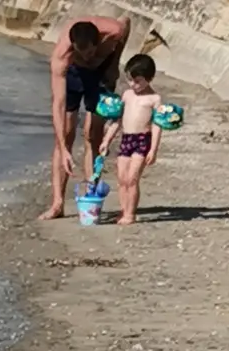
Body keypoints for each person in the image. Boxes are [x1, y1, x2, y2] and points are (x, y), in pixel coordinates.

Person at [40, 16, 131, 221]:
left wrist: (114, 63)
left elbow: (126, 23)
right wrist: (63, 149)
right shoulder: (62, 58)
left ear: (97, 42)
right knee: (65, 134)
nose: (87, 57)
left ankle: (91, 194)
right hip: (73, 75)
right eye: (81, 53)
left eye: (89, 52)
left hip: (101, 73)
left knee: (93, 134)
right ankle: (57, 204)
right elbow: (58, 105)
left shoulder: (113, 31)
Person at [100, 54, 161, 227]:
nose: (133, 84)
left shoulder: (154, 99)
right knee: (122, 178)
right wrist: (106, 140)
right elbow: (117, 120)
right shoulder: (127, 95)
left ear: (149, 79)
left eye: (137, 81)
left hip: (143, 140)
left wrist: (153, 149)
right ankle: (123, 209)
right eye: (129, 80)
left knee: (132, 178)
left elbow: (157, 125)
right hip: (126, 138)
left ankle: (130, 214)